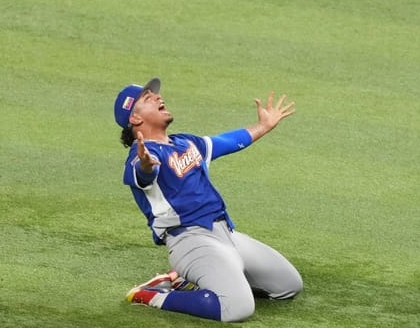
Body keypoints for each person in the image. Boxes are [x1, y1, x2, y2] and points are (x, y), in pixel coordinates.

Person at [113, 77, 303, 321]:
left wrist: (263, 126)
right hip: (190, 241)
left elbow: (228, 141)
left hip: (227, 235)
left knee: (288, 285)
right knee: (237, 308)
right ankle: (149, 295)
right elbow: (143, 174)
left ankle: (183, 279)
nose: (159, 97)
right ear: (135, 119)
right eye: (149, 99)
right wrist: (146, 166)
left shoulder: (185, 142)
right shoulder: (139, 157)